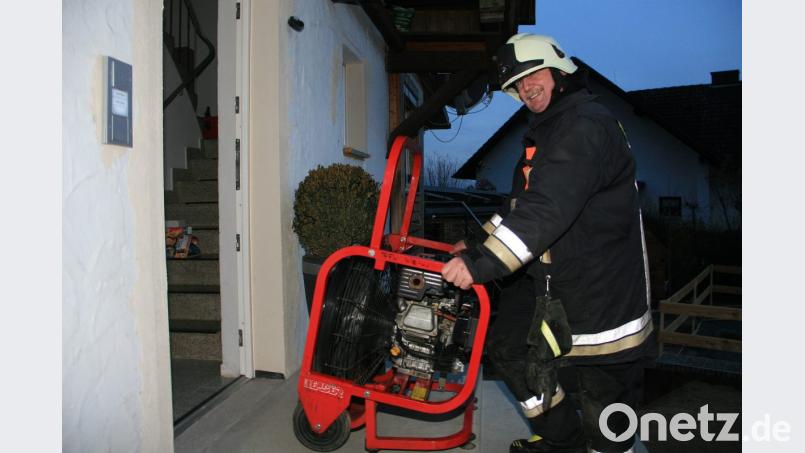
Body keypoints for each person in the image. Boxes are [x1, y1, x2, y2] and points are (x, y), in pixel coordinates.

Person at [441, 33, 656, 453]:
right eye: (518, 84)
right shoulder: (548, 132)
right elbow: (520, 205)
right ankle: (562, 440)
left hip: (599, 291)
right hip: (551, 278)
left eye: (533, 74)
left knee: (604, 406)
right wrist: (472, 246)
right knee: (509, 349)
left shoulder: (584, 126)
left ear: (559, 72)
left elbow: (548, 207)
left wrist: (481, 266)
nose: (526, 88)